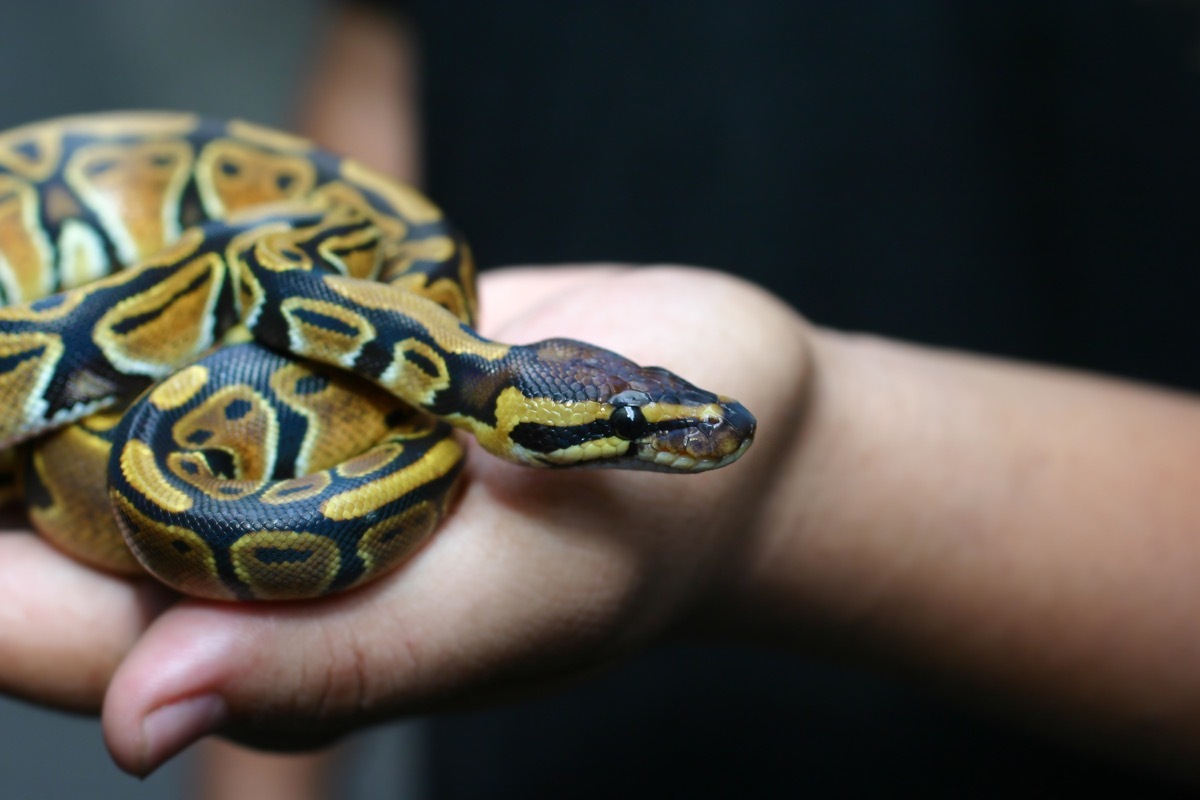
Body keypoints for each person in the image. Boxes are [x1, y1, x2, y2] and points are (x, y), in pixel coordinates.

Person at [4, 0, 1200, 794]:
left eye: (647, 409)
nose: (684, 422)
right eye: (635, 417)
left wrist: (811, 473)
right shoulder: (417, 351)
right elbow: (377, 65)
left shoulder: (415, 359)